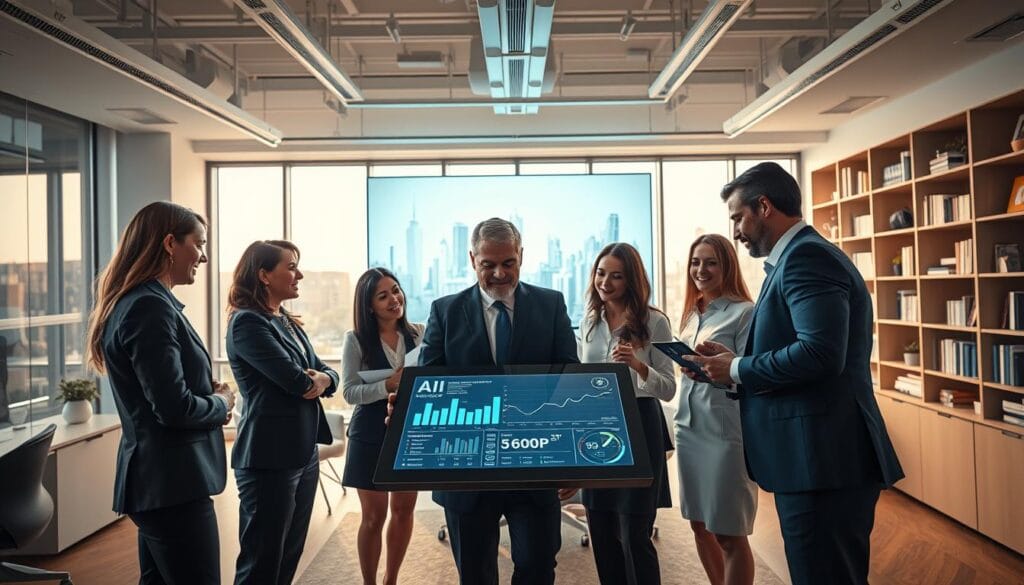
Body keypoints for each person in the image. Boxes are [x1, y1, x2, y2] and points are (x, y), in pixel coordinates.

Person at [686, 162, 904, 585]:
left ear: (763, 206)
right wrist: (735, 359)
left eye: (737, 217)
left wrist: (736, 368)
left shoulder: (807, 258)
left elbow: (821, 353)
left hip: (821, 460)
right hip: (814, 459)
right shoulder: (798, 258)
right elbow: (805, 345)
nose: (735, 230)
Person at [414, 217, 579, 585]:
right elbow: (430, 383)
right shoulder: (445, 311)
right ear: (473, 259)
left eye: (509, 263)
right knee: (475, 574)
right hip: (466, 470)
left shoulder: (551, 304)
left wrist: (570, 462)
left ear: (521, 255)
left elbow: (570, 375)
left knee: (537, 566)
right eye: (489, 264)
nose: (500, 273)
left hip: (535, 462)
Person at [86, 201, 235, 585]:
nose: (202, 256)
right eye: (198, 244)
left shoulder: (143, 302)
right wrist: (221, 403)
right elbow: (173, 408)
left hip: (164, 487)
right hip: (172, 486)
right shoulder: (149, 307)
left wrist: (206, 390)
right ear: (170, 243)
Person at [226, 240, 339, 585]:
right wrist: (315, 381)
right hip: (268, 458)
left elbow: (326, 375)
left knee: (289, 555)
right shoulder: (248, 323)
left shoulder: (286, 321)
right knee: (262, 562)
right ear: (263, 275)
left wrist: (321, 378)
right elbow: (297, 383)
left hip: (303, 453)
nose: (299, 274)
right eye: (291, 267)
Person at [578, 242, 675, 585]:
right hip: (596, 424)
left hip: (639, 424)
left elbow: (668, 388)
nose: (605, 282)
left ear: (631, 280)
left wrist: (637, 364)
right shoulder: (589, 321)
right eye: (601, 273)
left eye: (616, 276)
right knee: (601, 532)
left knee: (635, 533)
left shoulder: (654, 322)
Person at [676, 233, 757, 585]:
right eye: (696, 262)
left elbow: (753, 374)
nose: (701, 269)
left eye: (710, 262)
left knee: (728, 532)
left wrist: (717, 368)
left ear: (727, 266)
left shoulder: (744, 313)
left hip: (724, 433)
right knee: (699, 525)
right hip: (689, 428)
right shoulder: (693, 314)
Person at [341, 267, 422, 585]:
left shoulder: (419, 332)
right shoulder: (356, 340)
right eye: (383, 295)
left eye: (397, 290)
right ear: (368, 304)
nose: (394, 299)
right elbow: (349, 392)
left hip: (408, 431)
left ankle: (391, 579)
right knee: (373, 517)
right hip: (370, 433)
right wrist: (389, 384)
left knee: (403, 511)